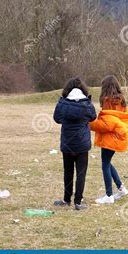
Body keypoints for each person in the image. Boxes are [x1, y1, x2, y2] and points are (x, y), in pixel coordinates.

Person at [90, 75, 128, 204]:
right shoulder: (121, 100)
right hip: (118, 136)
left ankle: (109, 195)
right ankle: (121, 188)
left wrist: (89, 124)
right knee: (107, 162)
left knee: (105, 164)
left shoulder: (107, 100)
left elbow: (106, 123)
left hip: (110, 138)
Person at [53, 77, 97, 210]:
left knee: (68, 172)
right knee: (81, 173)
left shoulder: (62, 103)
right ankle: (78, 202)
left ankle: (67, 199)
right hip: (82, 144)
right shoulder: (87, 104)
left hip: (67, 143)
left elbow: (57, 119)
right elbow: (93, 117)